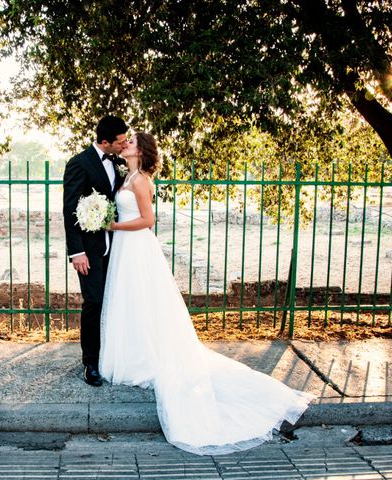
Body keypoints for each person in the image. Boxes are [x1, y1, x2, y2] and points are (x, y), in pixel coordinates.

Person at [99, 132, 314, 455]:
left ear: (141, 150)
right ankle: (134, 353)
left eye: (130, 142)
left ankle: (146, 357)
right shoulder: (126, 175)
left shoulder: (141, 180)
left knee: (145, 301)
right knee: (131, 304)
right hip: (125, 250)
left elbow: (147, 220)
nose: (125, 144)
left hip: (137, 246)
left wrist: (112, 227)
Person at [63, 115, 129, 387]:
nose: (124, 145)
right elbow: (70, 209)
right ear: (105, 142)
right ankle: (90, 362)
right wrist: (76, 252)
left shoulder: (119, 163)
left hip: (119, 246)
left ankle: (112, 356)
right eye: (121, 142)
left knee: (114, 302)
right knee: (95, 302)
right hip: (89, 250)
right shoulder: (79, 163)